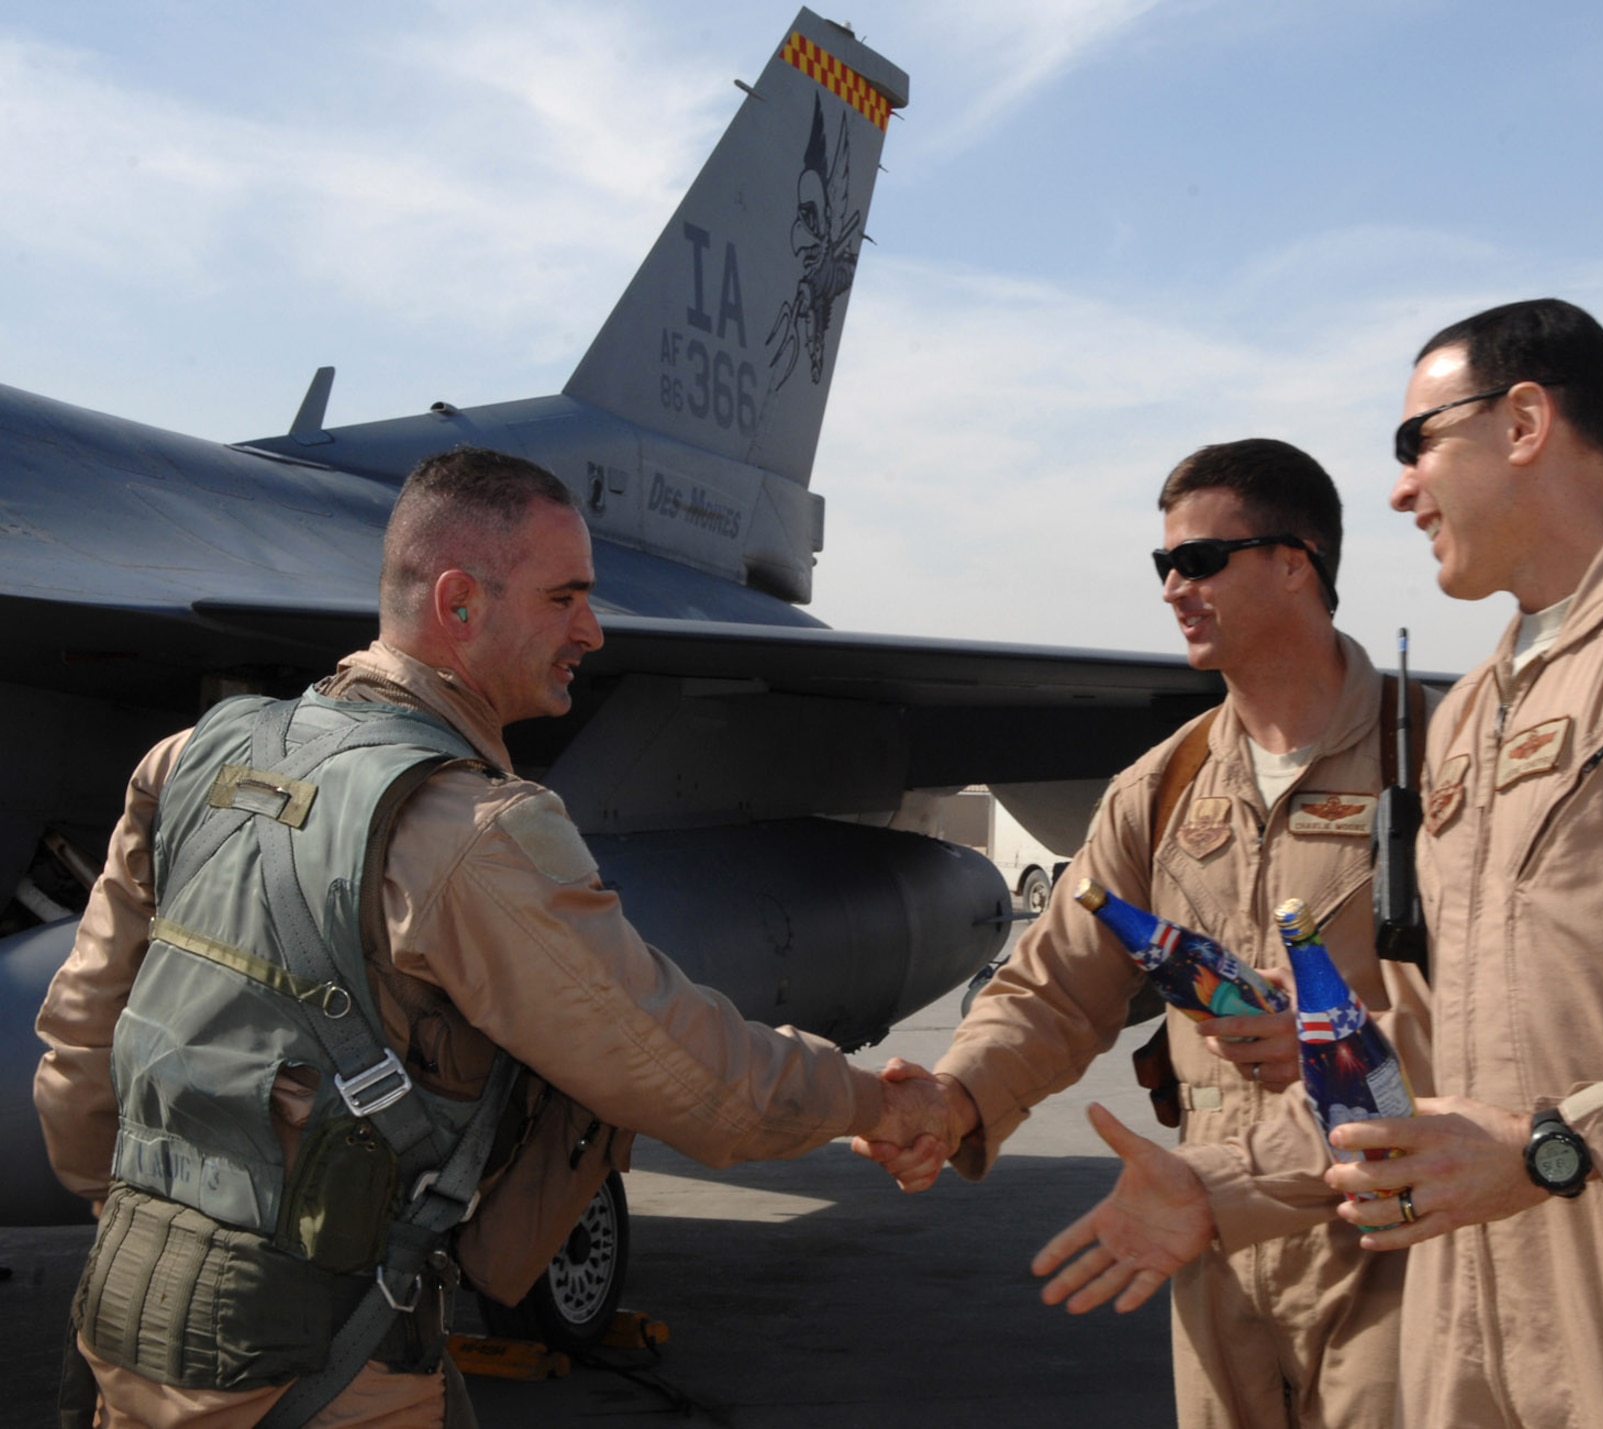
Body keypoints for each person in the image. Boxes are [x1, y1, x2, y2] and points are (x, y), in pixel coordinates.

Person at [1035, 300, 1603, 1428]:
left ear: (1523, 421)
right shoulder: (1470, 713)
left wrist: (1559, 1148)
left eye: (1414, 442)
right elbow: (1416, 1033)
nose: (1398, 490)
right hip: (1464, 1318)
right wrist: (1222, 1185)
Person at [34, 447, 946, 1428]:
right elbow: (687, 1075)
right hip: (310, 1364)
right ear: (459, 604)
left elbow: (81, 1037)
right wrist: (869, 1100)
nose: (592, 631)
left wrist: (154, 1235)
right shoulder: (468, 831)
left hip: (130, 1324)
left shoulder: (186, 761)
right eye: (564, 599)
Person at [862, 439, 1432, 1429]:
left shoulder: (1442, 761)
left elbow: (1528, 1000)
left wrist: (1339, 1026)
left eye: (1200, 560)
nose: (1173, 588)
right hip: (1208, 1232)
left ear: (1296, 561)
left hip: (1402, 1238)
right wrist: (957, 1096)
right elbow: (1055, 989)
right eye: (1161, 565)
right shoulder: (1161, 789)